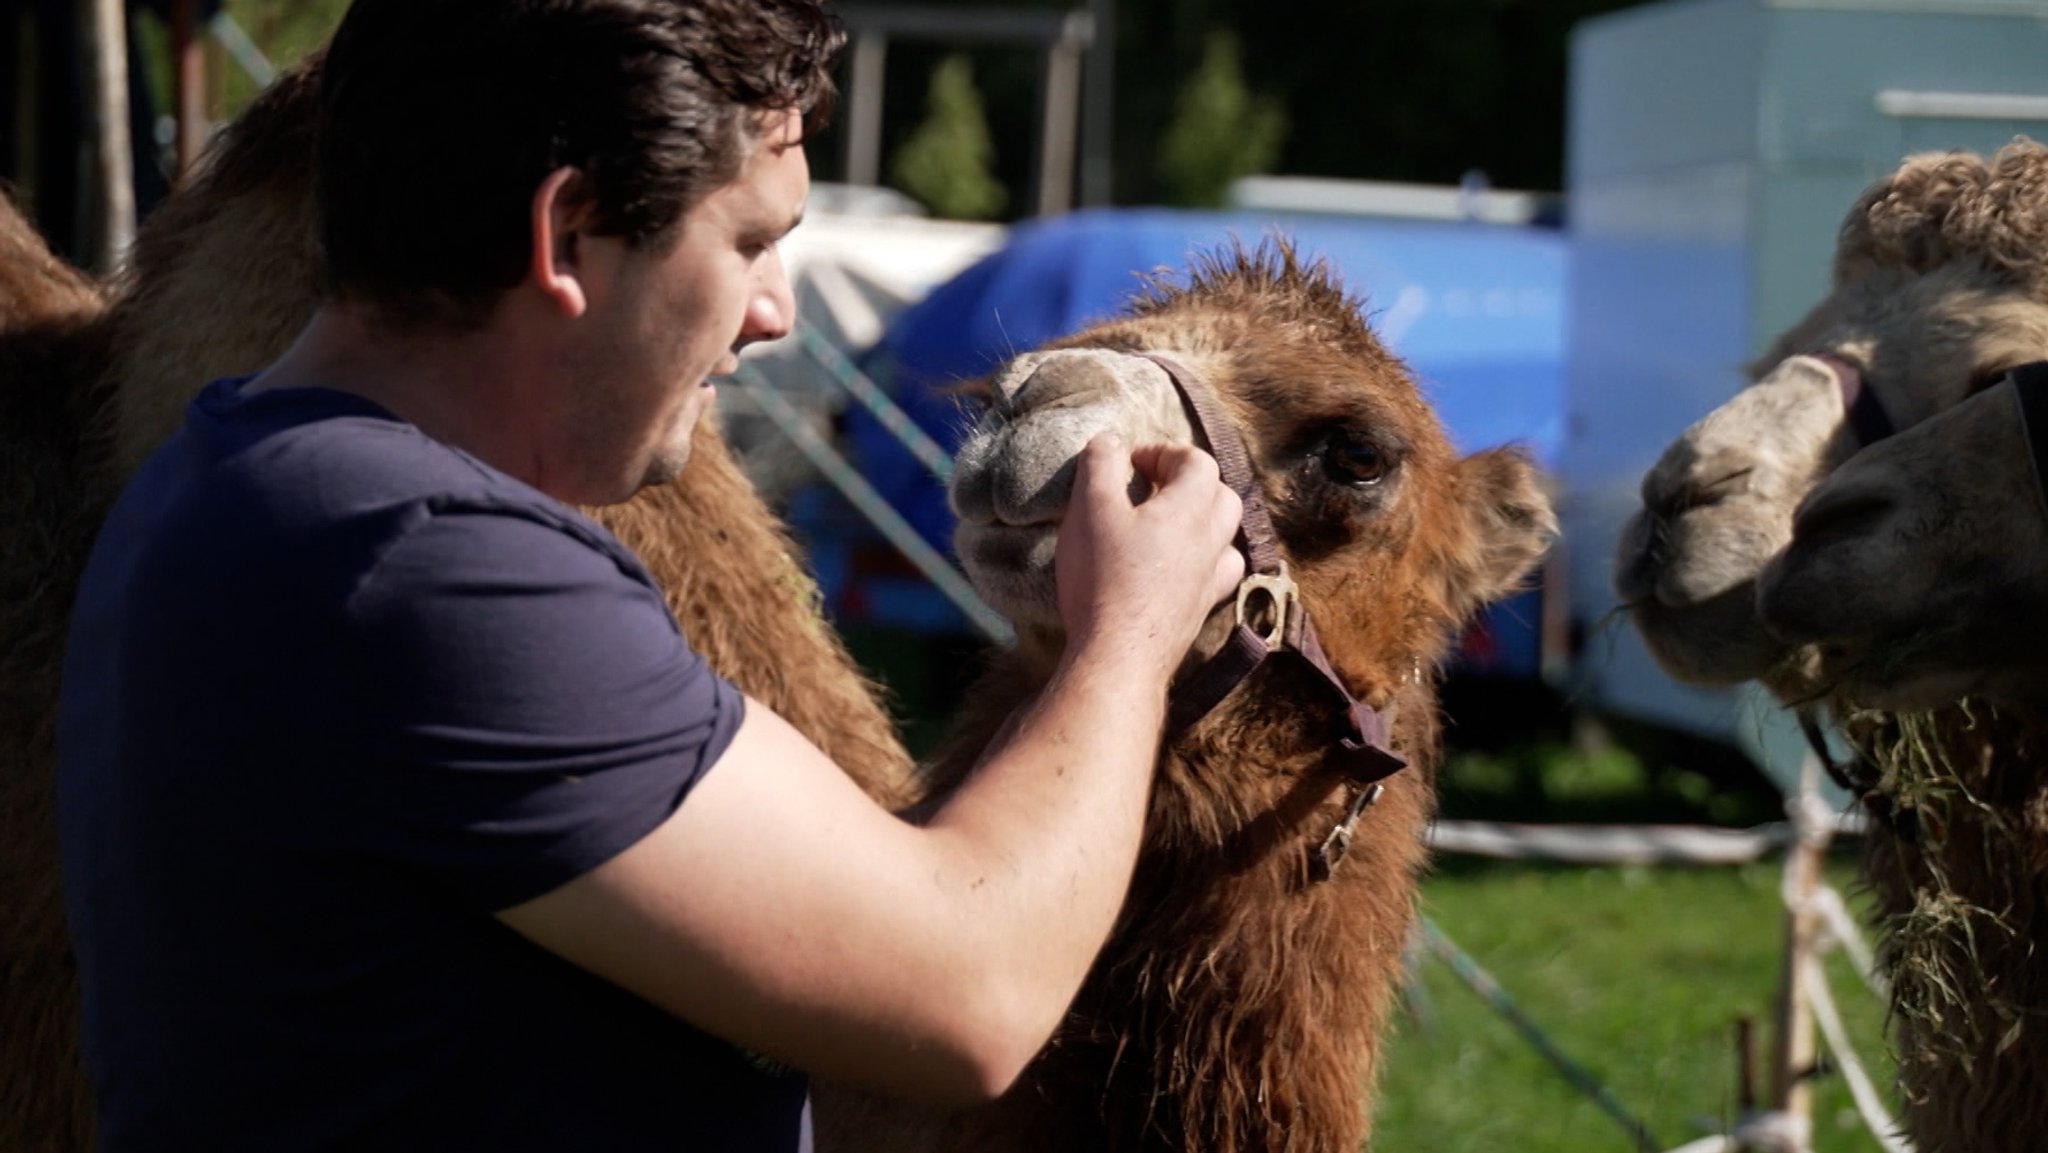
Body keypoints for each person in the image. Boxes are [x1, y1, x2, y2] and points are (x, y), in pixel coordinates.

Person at [55, 1, 1245, 1150]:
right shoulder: (415, 566)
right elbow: (969, 988)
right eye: (748, 242)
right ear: (568, 235)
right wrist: (1129, 630)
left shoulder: (236, 480)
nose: (774, 312)